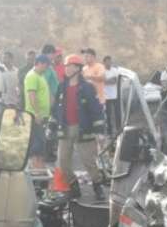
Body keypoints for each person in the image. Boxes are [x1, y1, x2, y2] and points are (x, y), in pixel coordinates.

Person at [53, 54, 106, 200]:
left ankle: (97, 185)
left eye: (69, 66)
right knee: (63, 162)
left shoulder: (87, 87)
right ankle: (74, 186)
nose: (66, 69)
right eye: (66, 66)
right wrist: (52, 125)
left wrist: (99, 131)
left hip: (84, 129)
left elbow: (96, 109)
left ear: (77, 68)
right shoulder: (61, 87)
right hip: (65, 129)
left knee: (88, 161)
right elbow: (56, 109)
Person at [24, 54, 52, 169]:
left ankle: (38, 164)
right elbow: (32, 95)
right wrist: (37, 113)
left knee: (41, 140)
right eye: (45, 66)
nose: (46, 68)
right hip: (35, 114)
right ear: (39, 63)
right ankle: (34, 165)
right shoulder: (32, 76)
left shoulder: (41, 76)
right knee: (38, 140)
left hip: (43, 114)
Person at [103, 55, 120, 135]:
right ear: (104, 62)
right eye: (107, 62)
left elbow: (115, 81)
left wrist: (107, 81)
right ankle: (110, 132)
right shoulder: (102, 71)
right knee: (108, 115)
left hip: (115, 95)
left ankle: (118, 129)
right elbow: (103, 82)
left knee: (117, 113)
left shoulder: (115, 70)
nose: (109, 63)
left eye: (110, 61)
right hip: (106, 96)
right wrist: (108, 81)